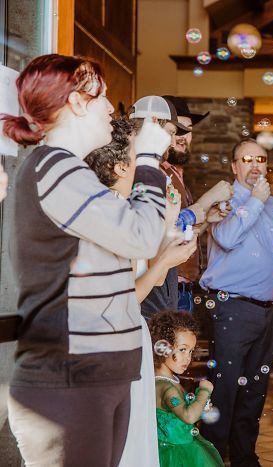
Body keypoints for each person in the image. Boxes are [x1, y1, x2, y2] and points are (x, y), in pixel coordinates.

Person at [1, 54, 170, 466]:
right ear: (77, 102)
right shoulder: (52, 169)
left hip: (96, 371)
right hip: (69, 376)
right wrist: (147, 161)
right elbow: (142, 236)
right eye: (103, 97)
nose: (112, 109)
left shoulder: (70, 172)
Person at [85, 116, 199, 467]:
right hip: (114, 338)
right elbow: (122, 297)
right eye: (144, 157)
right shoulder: (107, 215)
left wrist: (168, 223)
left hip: (132, 336)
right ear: (121, 166)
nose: (154, 166)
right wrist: (164, 262)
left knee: (134, 432)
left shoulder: (121, 211)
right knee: (124, 438)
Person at [199, 138, 273, 465]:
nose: (255, 166)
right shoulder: (224, 201)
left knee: (254, 394)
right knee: (223, 393)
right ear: (235, 166)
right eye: (246, 160)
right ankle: (211, 460)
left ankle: (244, 459)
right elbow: (224, 237)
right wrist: (254, 201)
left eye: (260, 159)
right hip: (231, 310)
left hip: (265, 312)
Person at [161, 96, 231, 312]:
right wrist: (209, 197)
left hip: (182, 288)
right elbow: (162, 230)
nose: (183, 137)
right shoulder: (155, 172)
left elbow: (180, 232)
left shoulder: (176, 174)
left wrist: (205, 220)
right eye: (177, 130)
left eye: (188, 129)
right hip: (164, 286)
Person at [149, 311, 224, 467]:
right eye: (182, 349)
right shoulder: (167, 387)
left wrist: (200, 406)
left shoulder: (167, 381)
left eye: (191, 351)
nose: (188, 357)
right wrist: (204, 392)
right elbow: (189, 417)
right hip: (177, 455)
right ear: (163, 348)